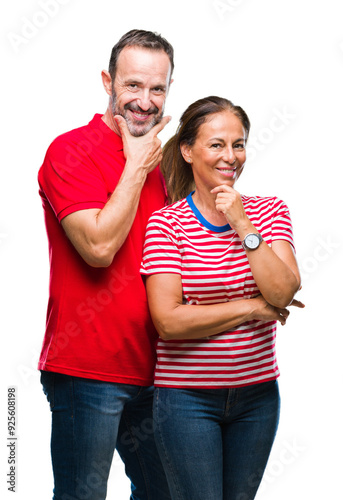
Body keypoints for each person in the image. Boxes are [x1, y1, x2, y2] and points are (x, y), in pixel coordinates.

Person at [140, 96, 305, 500]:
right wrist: (252, 307)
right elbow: (169, 321)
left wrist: (241, 222)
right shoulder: (166, 223)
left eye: (238, 144)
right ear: (187, 150)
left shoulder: (269, 212)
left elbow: (283, 290)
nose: (230, 156)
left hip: (258, 397)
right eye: (216, 144)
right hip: (186, 401)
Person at [38, 29, 174, 500]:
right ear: (107, 81)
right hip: (86, 371)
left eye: (157, 89)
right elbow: (98, 248)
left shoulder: (166, 165)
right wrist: (135, 165)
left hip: (160, 371)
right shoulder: (69, 151)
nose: (145, 101)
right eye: (133, 85)